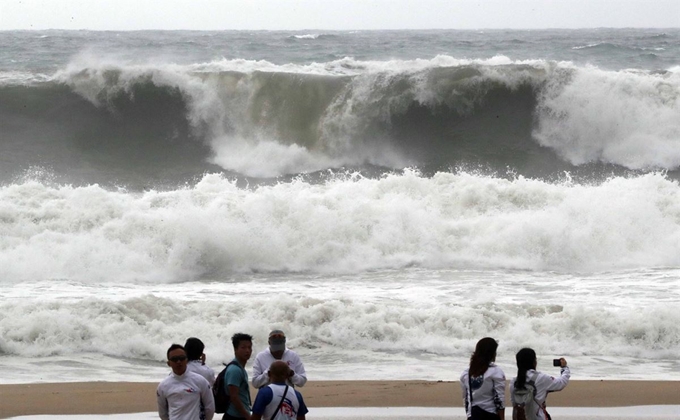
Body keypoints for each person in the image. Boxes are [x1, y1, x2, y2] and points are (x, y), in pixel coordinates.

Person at [157, 343, 215, 420]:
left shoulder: (200, 381)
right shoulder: (163, 386)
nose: (178, 362)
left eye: (182, 358)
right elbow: (163, 413)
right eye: (174, 359)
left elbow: (210, 407)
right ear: (169, 363)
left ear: (186, 360)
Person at [510, 348, 570, 420]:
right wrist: (564, 368)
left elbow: (514, 404)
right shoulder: (541, 378)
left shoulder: (513, 382)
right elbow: (561, 383)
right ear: (534, 362)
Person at [460, 337, 506, 420]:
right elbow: (499, 399)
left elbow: (466, 399)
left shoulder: (466, 373)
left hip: (473, 416)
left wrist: (469, 415)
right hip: (490, 415)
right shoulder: (496, 372)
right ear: (491, 354)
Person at [223, 333, 254, 420]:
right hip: (234, 416)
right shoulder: (235, 370)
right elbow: (234, 397)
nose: (247, 350)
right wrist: (247, 416)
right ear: (235, 350)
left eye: (249, 347)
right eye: (243, 347)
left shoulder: (240, 368)